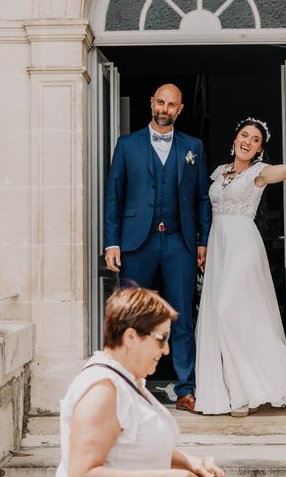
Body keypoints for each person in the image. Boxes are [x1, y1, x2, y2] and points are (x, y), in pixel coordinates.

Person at [194, 117, 286, 416]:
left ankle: (252, 387)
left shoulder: (260, 173)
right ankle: (233, 392)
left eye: (255, 140)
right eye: (244, 135)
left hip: (243, 244)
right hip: (219, 245)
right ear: (235, 139)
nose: (248, 141)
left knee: (226, 309)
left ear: (259, 149)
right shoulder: (219, 172)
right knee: (220, 317)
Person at [104, 84, 211, 413]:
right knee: (134, 318)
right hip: (138, 243)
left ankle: (185, 389)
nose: (165, 109)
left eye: (171, 105)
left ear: (180, 110)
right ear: (151, 103)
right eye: (160, 102)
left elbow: (202, 199)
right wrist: (112, 241)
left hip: (179, 243)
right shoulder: (127, 145)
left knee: (180, 316)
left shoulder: (193, 146)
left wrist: (203, 240)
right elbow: (114, 196)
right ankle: (132, 385)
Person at [56, 287, 225, 477]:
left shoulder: (129, 380)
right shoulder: (102, 390)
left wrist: (189, 462)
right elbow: (82, 473)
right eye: (161, 339)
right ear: (130, 337)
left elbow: (134, 451)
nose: (166, 350)